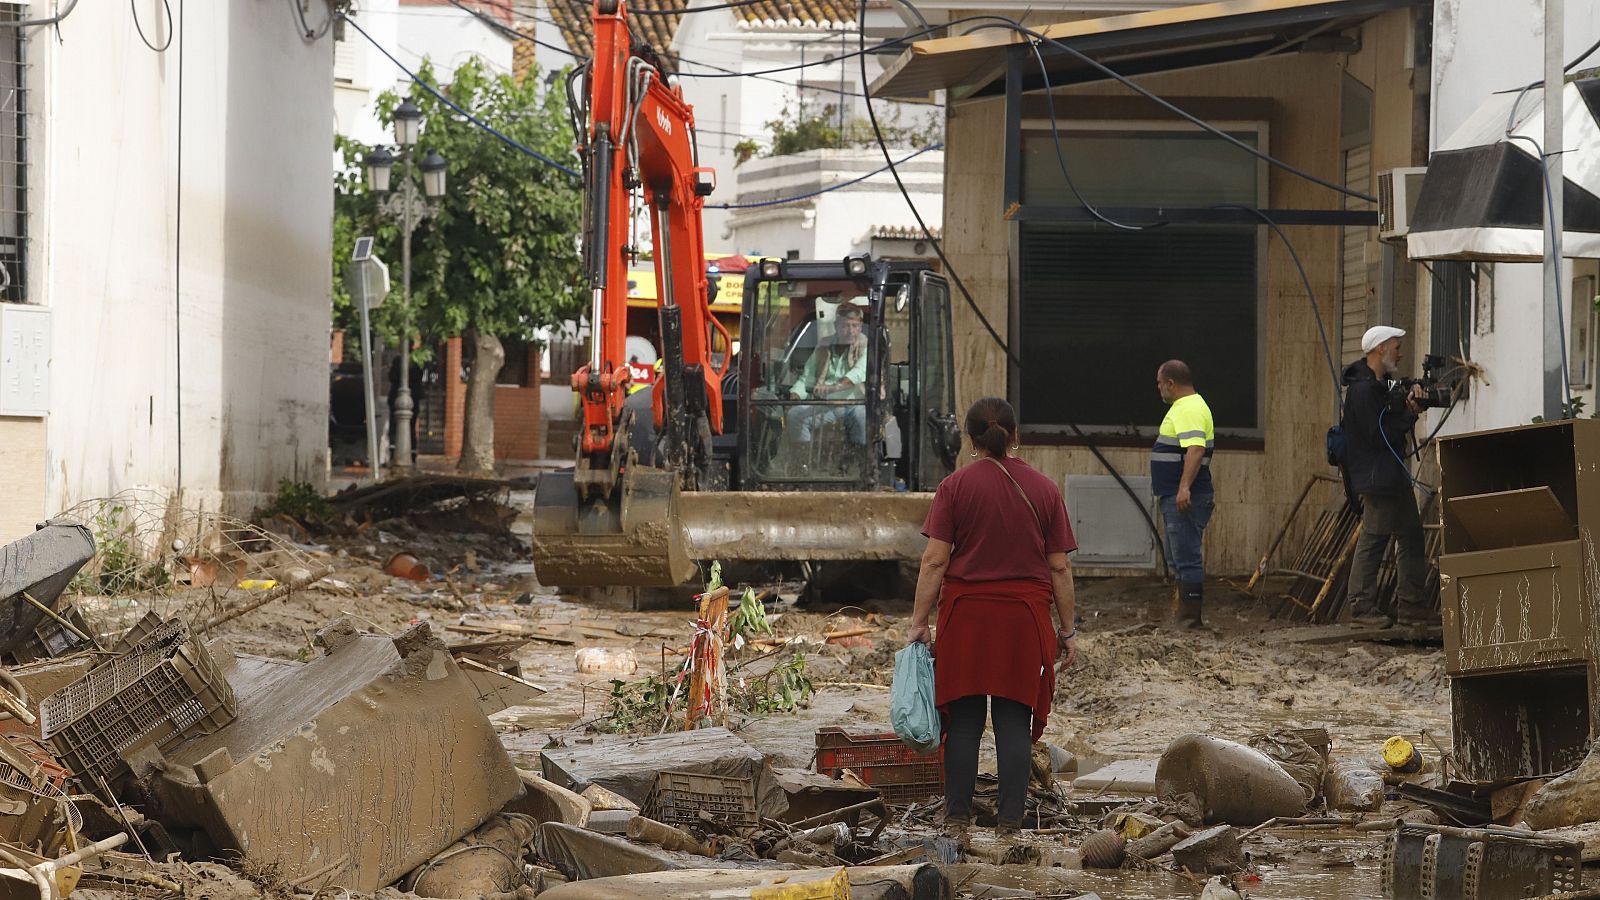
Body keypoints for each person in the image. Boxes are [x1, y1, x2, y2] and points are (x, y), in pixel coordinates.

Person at [908, 397, 1078, 839]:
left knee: (963, 721)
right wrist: (1068, 629)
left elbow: (933, 562)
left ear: (970, 440)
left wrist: (919, 623)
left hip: (966, 619)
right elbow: (1059, 567)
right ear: (1015, 436)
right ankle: (1009, 824)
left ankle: (958, 818)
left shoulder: (954, 487)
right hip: (1023, 622)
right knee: (1012, 720)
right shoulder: (1044, 489)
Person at [1343, 325, 1430, 626]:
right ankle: (1361, 607)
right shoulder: (1363, 390)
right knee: (1374, 536)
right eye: (1396, 346)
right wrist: (1409, 413)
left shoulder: (1382, 385)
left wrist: (1406, 406)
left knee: (1411, 534)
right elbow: (1379, 436)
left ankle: (1411, 603)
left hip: (1392, 473)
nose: (1400, 353)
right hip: (1375, 476)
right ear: (1380, 349)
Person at [1151, 360, 1215, 628]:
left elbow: (1196, 449)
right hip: (1176, 496)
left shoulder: (1189, 408)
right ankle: (1183, 614)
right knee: (1177, 556)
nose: (1158, 388)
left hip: (1185, 497)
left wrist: (1184, 487)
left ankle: (1190, 621)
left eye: (1159, 383)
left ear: (1171, 383)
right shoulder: (1186, 407)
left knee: (1186, 557)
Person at [788, 304, 867, 445]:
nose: (851, 331)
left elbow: (858, 373)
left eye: (855, 326)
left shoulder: (867, 345)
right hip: (826, 405)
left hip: (856, 404)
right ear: (836, 325)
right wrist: (795, 396)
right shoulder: (823, 345)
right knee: (795, 415)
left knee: (862, 416)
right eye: (845, 326)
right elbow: (807, 377)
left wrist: (833, 388)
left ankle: (859, 459)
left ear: (861, 327)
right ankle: (804, 460)